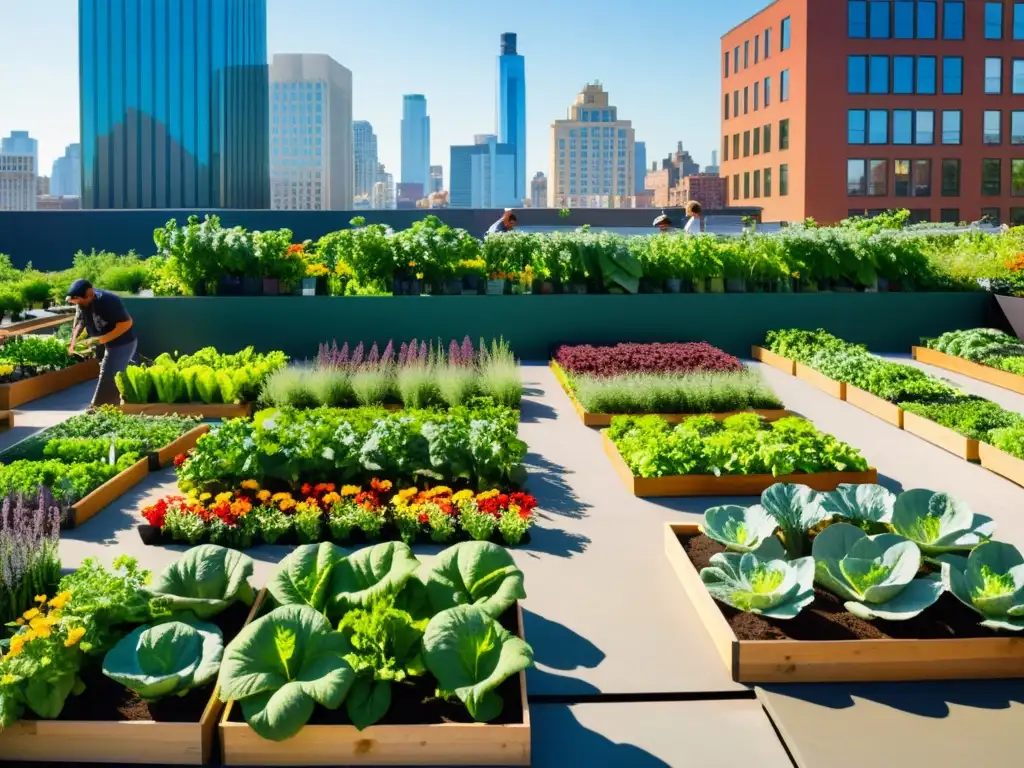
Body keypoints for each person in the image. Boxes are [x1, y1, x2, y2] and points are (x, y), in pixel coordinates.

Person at [66, 279, 137, 408]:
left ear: (90, 293)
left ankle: (98, 407)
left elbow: (127, 323)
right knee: (115, 372)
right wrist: (73, 341)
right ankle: (123, 403)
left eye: (79, 301)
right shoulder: (82, 303)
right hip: (102, 341)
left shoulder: (109, 301)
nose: (78, 304)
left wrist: (102, 339)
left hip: (122, 342)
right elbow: (80, 321)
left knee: (108, 373)